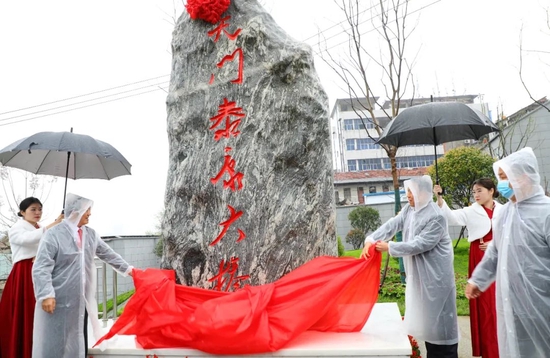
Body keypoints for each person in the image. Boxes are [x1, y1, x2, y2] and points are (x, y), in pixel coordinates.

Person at [361, 175, 459, 358]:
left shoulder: (436, 216)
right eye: (407, 191)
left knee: (442, 329)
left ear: (423, 193)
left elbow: (420, 244)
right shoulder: (410, 210)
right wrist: (371, 239)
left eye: (411, 191)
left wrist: (389, 247)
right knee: (430, 329)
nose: (408, 195)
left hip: (437, 281)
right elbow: (393, 224)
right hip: (421, 279)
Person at [465, 147, 550, 357]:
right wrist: (479, 279)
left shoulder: (545, 212)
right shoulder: (505, 213)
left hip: (542, 303)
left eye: (504, 178)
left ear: (522, 177)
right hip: (511, 303)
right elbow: (495, 252)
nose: (501, 184)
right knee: (516, 348)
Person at [32, 193, 134, 358]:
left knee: (79, 337)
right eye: (87, 210)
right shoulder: (53, 234)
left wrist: (130, 270)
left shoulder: (90, 234)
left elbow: (108, 254)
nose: (89, 214)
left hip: (80, 300)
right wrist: (46, 294)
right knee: (55, 341)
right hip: (57, 298)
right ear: (75, 211)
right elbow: (41, 266)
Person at [434, 179, 501, 358]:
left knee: (501, 303)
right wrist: (440, 198)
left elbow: (514, 232)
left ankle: (503, 348)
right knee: (486, 305)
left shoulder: (504, 209)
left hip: (502, 258)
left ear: (491, 191)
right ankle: (490, 350)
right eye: (474, 192)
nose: (476, 195)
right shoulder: (471, 211)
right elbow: (450, 217)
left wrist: (495, 244)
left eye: (479, 191)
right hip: (479, 257)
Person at [0, 197, 63, 358]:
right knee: (28, 312)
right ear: (22, 212)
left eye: (40, 209)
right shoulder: (16, 228)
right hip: (24, 274)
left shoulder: (41, 227)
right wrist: (55, 223)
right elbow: (28, 239)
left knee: (41, 314)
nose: (37, 212)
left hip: (41, 272)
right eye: (33, 209)